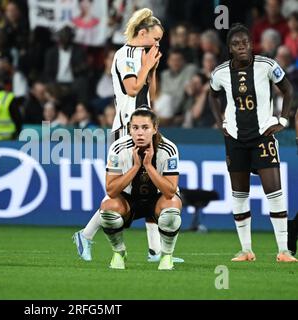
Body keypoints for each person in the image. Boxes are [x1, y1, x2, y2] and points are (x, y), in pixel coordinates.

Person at [73, 8, 183, 264]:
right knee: (125, 188)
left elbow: (150, 93)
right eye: (154, 39)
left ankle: (155, 250)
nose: (157, 44)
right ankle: (86, 235)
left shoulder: (141, 57)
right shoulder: (127, 55)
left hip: (144, 122)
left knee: (147, 186)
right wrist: (145, 65)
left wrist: (152, 69)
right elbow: (132, 88)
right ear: (141, 32)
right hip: (129, 125)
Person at [209, 23, 297, 262]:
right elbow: (212, 95)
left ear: (251, 44)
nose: (242, 47)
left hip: (263, 136)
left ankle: (283, 250)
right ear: (230, 48)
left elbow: (289, 91)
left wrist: (283, 120)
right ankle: (246, 250)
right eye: (236, 44)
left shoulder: (267, 65)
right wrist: (220, 123)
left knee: (274, 192)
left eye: (245, 43)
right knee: (239, 194)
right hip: (235, 139)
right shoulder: (220, 73)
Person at [99, 107, 182, 270]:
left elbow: (170, 191)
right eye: (135, 128)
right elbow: (111, 190)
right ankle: (119, 252)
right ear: (129, 129)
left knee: (171, 211)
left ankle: (167, 256)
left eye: (145, 128)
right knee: (108, 210)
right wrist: (135, 167)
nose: (140, 133)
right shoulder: (118, 148)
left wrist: (148, 166)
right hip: (129, 199)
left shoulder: (168, 149)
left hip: (158, 198)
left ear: (155, 128)